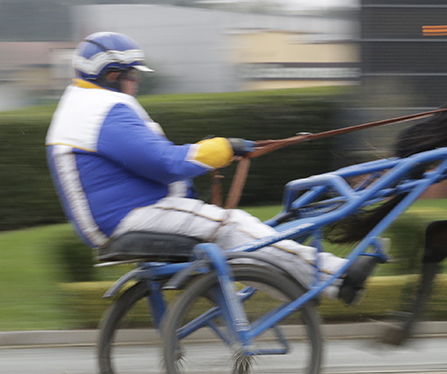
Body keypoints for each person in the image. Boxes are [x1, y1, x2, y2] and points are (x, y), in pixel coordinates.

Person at [45, 31, 376, 302]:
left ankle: (301, 286)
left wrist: (210, 155)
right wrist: (220, 148)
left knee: (232, 237)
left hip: (118, 217)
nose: (137, 83)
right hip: (131, 216)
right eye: (133, 75)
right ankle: (339, 276)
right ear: (113, 76)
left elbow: (151, 162)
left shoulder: (82, 105)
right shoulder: (104, 108)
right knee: (232, 225)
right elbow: (164, 163)